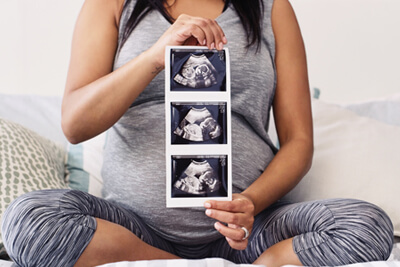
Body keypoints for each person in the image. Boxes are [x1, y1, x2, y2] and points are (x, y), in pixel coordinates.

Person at [1, 0, 394, 266]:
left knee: (367, 225)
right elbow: (75, 123)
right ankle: (177, 264)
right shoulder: (113, 4)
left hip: (248, 232)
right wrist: (156, 56)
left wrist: (250, 203)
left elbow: (299, 143)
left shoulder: (271, 9)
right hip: (134, 228)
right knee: (27, 220)